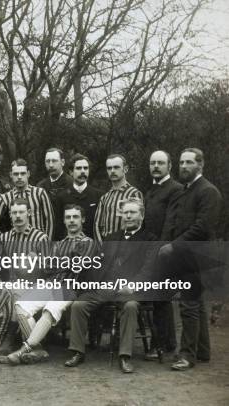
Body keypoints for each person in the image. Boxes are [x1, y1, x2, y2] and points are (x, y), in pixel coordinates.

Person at [65, 198, 157, 373]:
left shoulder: (150, 239)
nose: (128, 216)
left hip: (130, 290)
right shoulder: (111, 237)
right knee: (78, 305)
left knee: (130, 307)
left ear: (141, 215)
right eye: (125, 213)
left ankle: (124, 356)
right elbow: (99, 264)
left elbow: (148, 270)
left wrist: (132, 285)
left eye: (132, 212)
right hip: (106, 288)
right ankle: (77, 351)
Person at [6, 204, 97, 365]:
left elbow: (79, 265)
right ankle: (38, 349)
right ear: (64, 221)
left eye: (75, 217)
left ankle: (24, 350)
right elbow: (48, 268)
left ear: (82, 219)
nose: (71, 221)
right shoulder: (59, 244)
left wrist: (57, 262)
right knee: (21, 306)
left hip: (70, 286)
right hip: (51, 284)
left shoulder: (88, 242)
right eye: (68, 217)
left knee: (51, 309)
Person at [159, 148, 222, 371]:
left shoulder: (208, 191)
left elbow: (202, 227)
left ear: (200, 165)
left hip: (198, 256)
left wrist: (173, 246)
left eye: (189, 163)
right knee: (196, 305)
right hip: (187, 256)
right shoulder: (187, 190)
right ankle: (202, 351)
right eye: (181, 162)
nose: (183, 166)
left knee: (188, 305)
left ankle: (187, 355)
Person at [143, 150, 182, 360]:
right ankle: (165, 342)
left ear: (169, 166)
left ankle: (163, 344)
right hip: (151, 248)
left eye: (160, 163)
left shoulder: (175, 190)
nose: (156, 166)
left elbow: (170, 224)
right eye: (152, 163)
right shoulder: (151, 191)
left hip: (165, 251)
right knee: (158, 299)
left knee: (162, 298)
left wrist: (160, 249)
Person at [0, 159, 54, 241]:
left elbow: (50, 220)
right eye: (16, 174)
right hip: (16, 244)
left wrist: (46, 242)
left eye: (23, 173)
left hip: (37, 243)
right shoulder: (6, 197)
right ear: (11, 175)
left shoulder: (39, 193)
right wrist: (4, 241)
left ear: (28, 174)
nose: (19, 177)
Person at [93, 154, 143, 242]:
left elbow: (139, 225)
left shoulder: (134, 193)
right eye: (109, 168)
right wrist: (102, 249)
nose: (112, 171)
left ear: (125, 169)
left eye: (116, 167)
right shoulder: (104, 198)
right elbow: (97, 225)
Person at [55, 154, 103, 240]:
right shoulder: (62, 197)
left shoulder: (99, 195)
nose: (83, 171)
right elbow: (59, 228)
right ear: (71, 172)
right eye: (78, 168)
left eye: (85, 168)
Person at [37, 148, 73, 239]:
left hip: (67, 237)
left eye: (54, 161)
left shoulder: (72, 184)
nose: (51, 165)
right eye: (47, 161)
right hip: (46, 237)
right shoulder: (40, 186)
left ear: (63, 162)